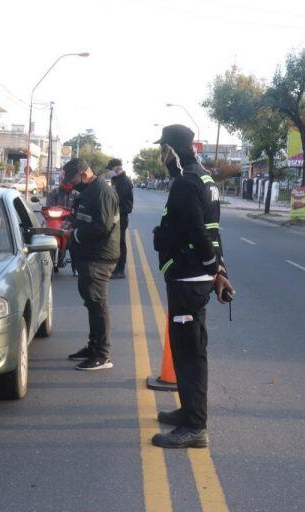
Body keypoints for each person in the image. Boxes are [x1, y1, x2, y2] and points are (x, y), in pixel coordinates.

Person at [151, 124, 235, 449]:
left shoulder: (186, 182)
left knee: (189, 354)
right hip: (196, 277)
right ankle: (188, 412)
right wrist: (220, 270)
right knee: (187, 349)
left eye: (163, 150)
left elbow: (199, 233)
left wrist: (211, 267)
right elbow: (216, 231)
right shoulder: (206, 179)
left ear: (172, 150)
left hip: (188, 278)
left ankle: (195, 427)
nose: (161, 156)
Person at [63, 158, 121, 371]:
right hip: (89, 256)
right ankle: (93, 346)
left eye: (74, 180)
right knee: (91, 303)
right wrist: (72, 223)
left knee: (98, 305)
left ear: (85, 175)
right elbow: (87, 218)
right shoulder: (89, 191)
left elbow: (102, 227)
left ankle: (102, 355)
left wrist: (75, 234)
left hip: (99, 257)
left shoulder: (102, 192)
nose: (71, 184)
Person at [108, 158, 134, 279]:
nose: (109, 172)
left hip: (121, 216)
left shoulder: (124, 181)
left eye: (111, 169)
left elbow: (116, 199)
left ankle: (120, 269)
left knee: (120, 243)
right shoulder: (117, 180)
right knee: (115, 242)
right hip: (115, 215)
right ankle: (115, 267)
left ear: (117, 168)